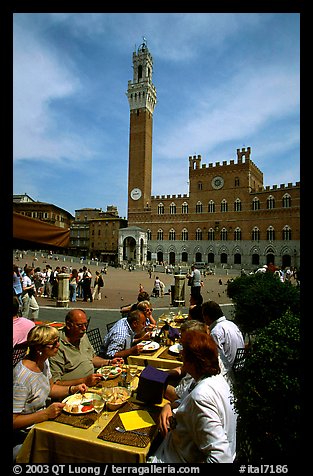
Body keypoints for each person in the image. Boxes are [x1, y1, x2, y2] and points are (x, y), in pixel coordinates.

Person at [148, 330, 237, 463]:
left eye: (183, 354)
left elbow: (222, 458)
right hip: (177, 446)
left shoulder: (201, 397)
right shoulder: (215, 379)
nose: (180, 356)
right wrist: (168, 405)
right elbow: (183, 399)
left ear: (192, 362)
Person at [13, 325, 87, 461]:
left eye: (58, 340)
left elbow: (50, 388)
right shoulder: (22, 378)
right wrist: (46, 413)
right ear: (39, 348)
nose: (58, 345)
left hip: (42, 424)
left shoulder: (43, 361)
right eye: (53, 343)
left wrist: (73, 389)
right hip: (24, 436)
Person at [49, 309, 123, 387]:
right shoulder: (57, 345)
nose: (84, 329)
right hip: (73, 391)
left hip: (92, 382)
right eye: (80, 325)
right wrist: (84, 381)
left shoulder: (82, 336)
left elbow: (92, 358)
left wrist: (109, 362)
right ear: (69, 325)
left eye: (86, 325)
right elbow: (55, 384)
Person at [202, 300, 244, 382]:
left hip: (228, 374)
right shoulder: (231, 324)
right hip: (239, 366)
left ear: (207, 317)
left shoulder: (216, 332)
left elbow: (217, 359)